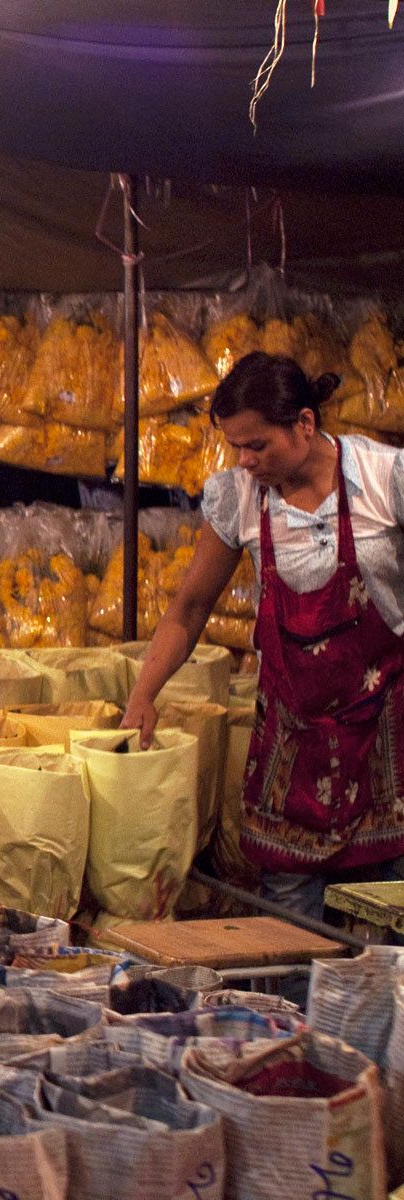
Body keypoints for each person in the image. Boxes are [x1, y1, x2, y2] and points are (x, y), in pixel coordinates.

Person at [124, 352, 404, 920]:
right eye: (236, 448)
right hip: (292, 737)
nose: (246, 461)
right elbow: (191, 608)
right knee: (289, 925)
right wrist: (143, 693)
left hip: (384, 732)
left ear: (304, 423)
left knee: (389, 917)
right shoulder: (240, 499)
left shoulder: (384, 480)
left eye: (258, 445)